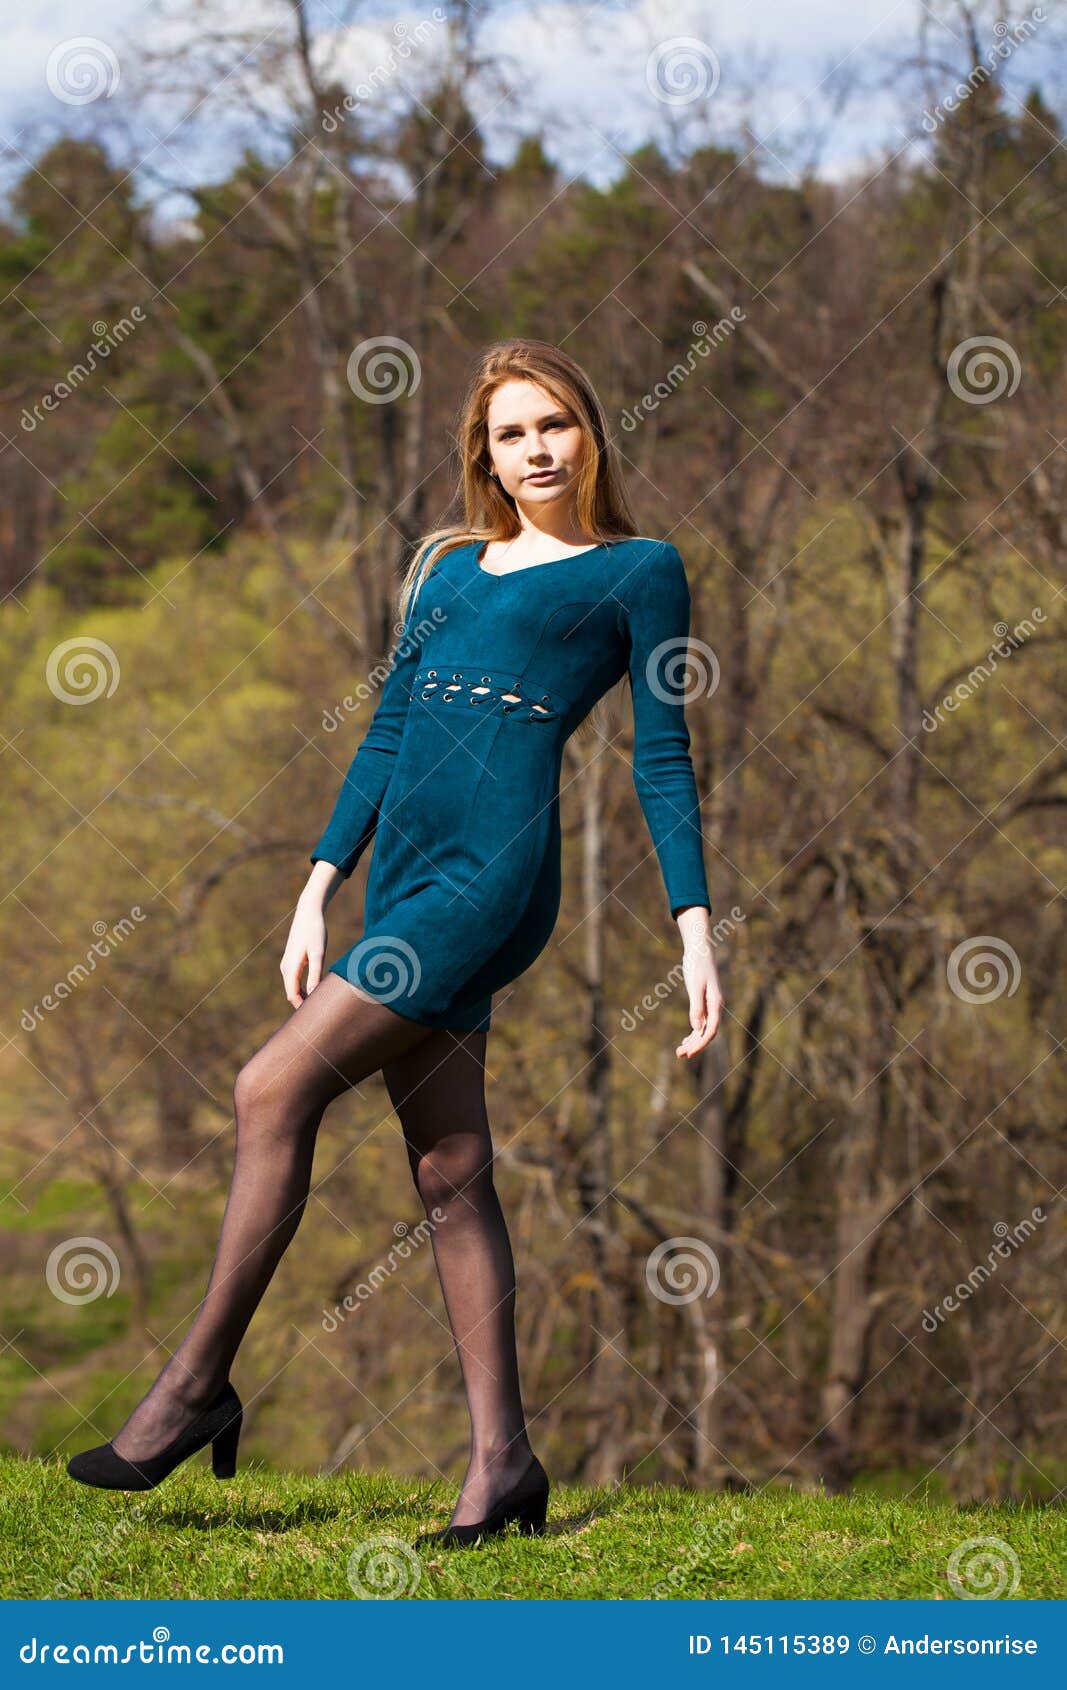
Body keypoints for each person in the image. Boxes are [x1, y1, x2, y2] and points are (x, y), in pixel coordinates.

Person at [66, 338, 724, 1547]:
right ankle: (504, 1466)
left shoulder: (639, 571)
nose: (536, 450)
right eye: (511, 433)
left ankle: (191, 1390)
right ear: (486, 452)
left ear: (590, 433)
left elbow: (662, 753)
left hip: (489, 880)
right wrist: (319, 885)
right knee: (449, 1170)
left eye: (556, 425)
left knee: (270, 1087)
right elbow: (384, 734)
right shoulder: (445, 573)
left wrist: (693, 927)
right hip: (400, 880)